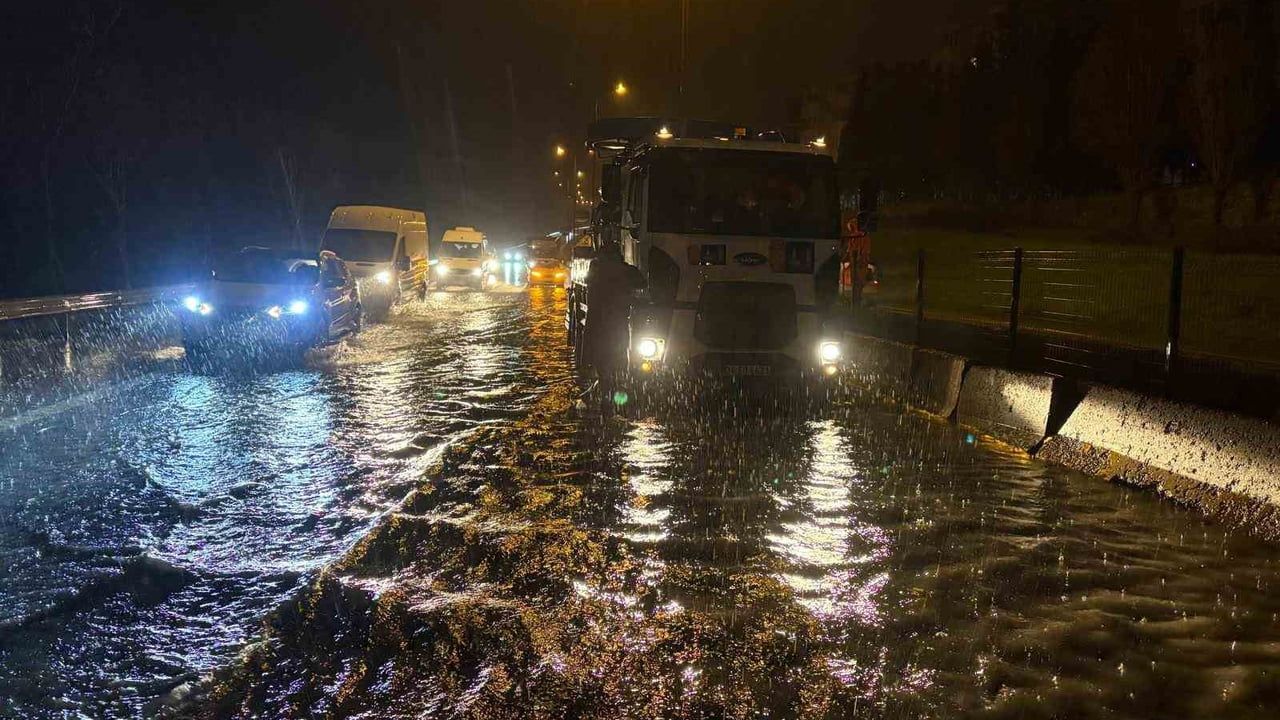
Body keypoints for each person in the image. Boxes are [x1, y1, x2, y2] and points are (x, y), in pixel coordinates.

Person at [581, 241, 642, 412]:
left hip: (598, 325)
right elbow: (641, 282)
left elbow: (588, 281)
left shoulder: (596, 268)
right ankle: (614, 393)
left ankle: (606, 394)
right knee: (617, 358)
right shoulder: (624, 270)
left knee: (602, 360)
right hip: (617, 325)